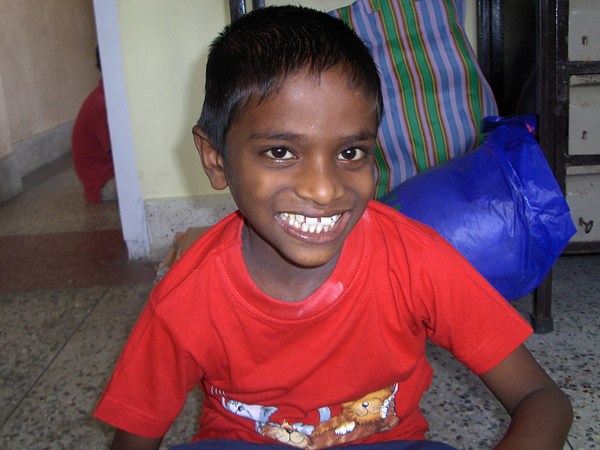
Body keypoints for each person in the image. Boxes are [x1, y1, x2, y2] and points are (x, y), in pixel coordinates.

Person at [93, 6, 572, 450]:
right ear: (216, 160)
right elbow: (134, 439)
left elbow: (542, 399)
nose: (324, 190)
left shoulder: (417, 261)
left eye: (350, 152)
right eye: (280, 152)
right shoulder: (186, 298)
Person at [71, 46, 116, 203]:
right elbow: (121, 154)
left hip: (103, 177)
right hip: (103, 184)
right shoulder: (102, 106)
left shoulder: (104, 98)